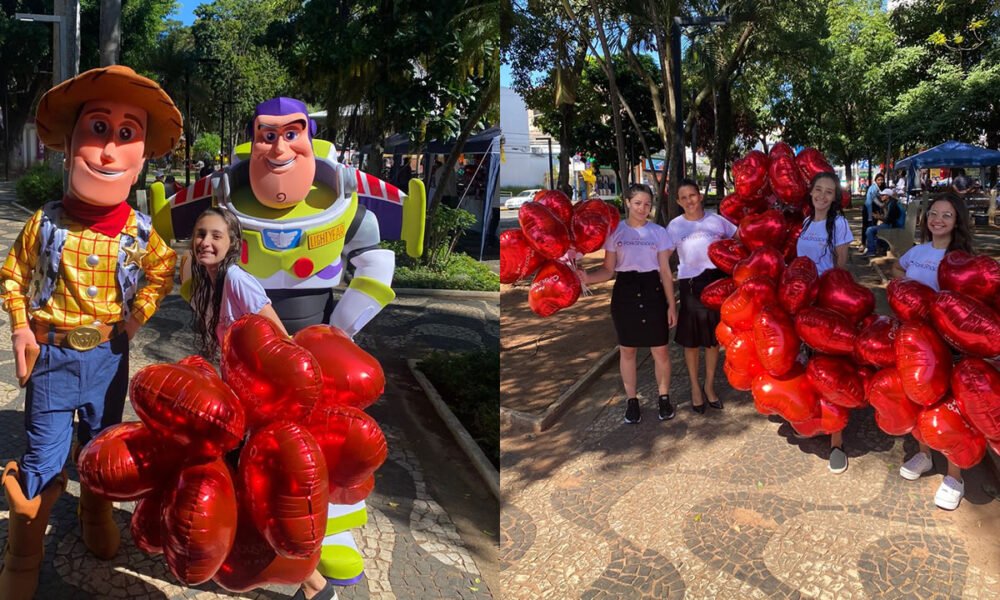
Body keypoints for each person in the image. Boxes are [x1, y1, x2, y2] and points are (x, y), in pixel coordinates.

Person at [0, 66, 180, 600]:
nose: (107, 152)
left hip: (108, 356)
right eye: (97, 129)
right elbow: (12, 274)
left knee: (103, 443)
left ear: (142, 156)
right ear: (70, 143)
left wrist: (136, 317)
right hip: (53, 358)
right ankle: (23, 556)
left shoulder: (141, 231)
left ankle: (95, 513)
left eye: (127, 135)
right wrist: (19, 330)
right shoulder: (45, 222)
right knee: (42, 456)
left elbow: (163, 270)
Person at [179, 208, 335, 599]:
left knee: (260, 496)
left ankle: (316, 586)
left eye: (216, 236)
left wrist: (269, 404)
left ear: (233, 244)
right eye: (200, 234)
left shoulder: (236, 280)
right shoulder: (208, 280)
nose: (205, 243)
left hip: (260, 409)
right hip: (239, 403)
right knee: (245, 494)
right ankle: (308, 583)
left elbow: (279, 338)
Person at [890, 194, 973, 510]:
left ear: (957, 221)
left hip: (949, 345)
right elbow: (899, 270)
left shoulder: (961, 257)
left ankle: (955, 476)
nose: (938, 219)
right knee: (918, 397)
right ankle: (924, 454)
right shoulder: (918, 251)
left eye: (947, 215)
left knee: (953, 406)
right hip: (915, 343)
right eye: (934, 214)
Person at [578, 183, 678, 424]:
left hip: (653, 291)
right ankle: (632, 401)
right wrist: (588, 277)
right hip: (625, 293)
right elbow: (608, 270)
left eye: (647, 204)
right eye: (637, 203)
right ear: (627, 202)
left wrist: (671, 304)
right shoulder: (616, 232)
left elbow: (665, 271)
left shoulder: (659, 232)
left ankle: (663, 398)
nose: (642, 208)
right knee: (628, 350)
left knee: (660, 350)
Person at [796, 172, 854, 473]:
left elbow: (840, 272)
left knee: (831, 372)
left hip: (827, 309)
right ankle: (814, 420)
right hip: (804, 307)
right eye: (818, 190)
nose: (822, 196)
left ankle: (837, 441)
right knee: (807, 367)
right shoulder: (805, 224)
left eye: (828, 192)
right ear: (811, 192)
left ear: (835, 198)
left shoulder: (839, 224)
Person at [665, 179, 737, 413]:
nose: (689, 201)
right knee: (692, 340)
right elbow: (662, 259)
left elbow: (739, 239)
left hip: (716, 283)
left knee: (712, 340)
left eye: (693, 196)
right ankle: (695, 387)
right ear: (678, 202)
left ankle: (709, 386)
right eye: (684, 198)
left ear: (700, 196)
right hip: (690, 285)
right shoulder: (674, 226)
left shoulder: (716, 221)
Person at [863, 188, 903, 256]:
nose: (880, 196)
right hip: (893, 225)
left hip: (894, 226)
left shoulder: (892, 205)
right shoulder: (891, 203)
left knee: (869, 230)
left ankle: (871, 251)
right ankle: (879, 249)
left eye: (883, 195)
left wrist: (879, 217)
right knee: (875, 228)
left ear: (887, 196)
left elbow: (889, 220)